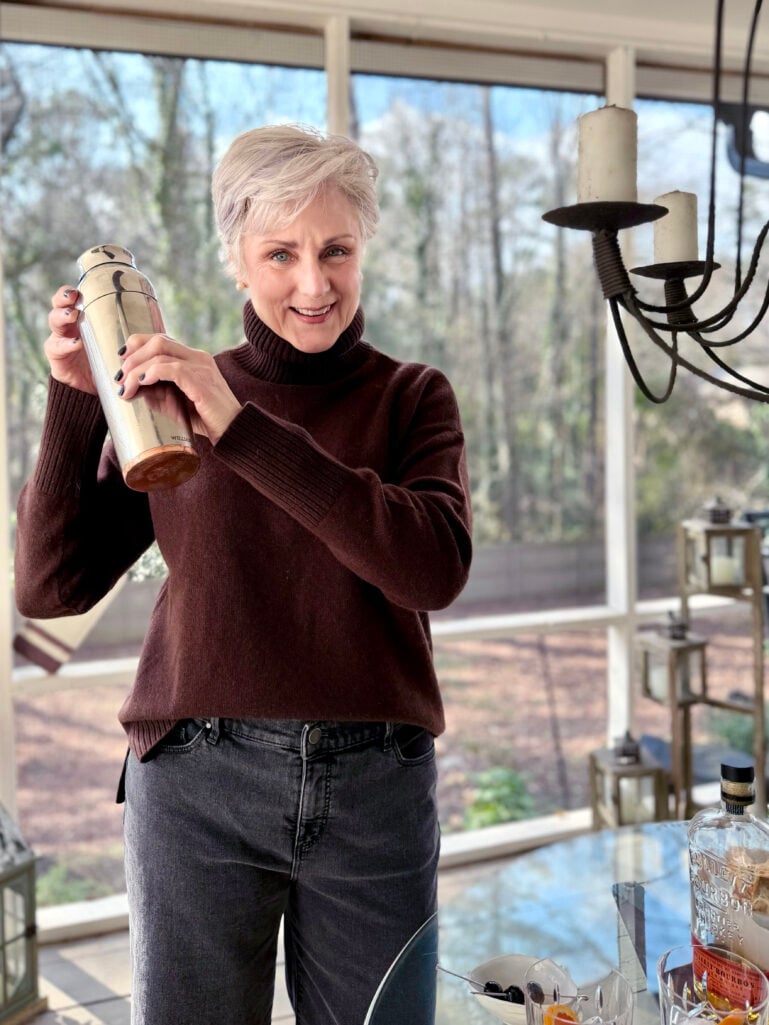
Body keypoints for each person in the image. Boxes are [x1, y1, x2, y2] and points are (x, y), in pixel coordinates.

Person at [14, 124, 472, 1025]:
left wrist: (244, 429)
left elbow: (430, 568)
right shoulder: (171, 400)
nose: (314, 283)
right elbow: (50, 586)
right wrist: (75, 397)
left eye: (336, 249)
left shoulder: (412, 396)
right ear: (236, 258)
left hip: (375, 788)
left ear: (363, 247)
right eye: (280, 253)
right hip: (197, 783)